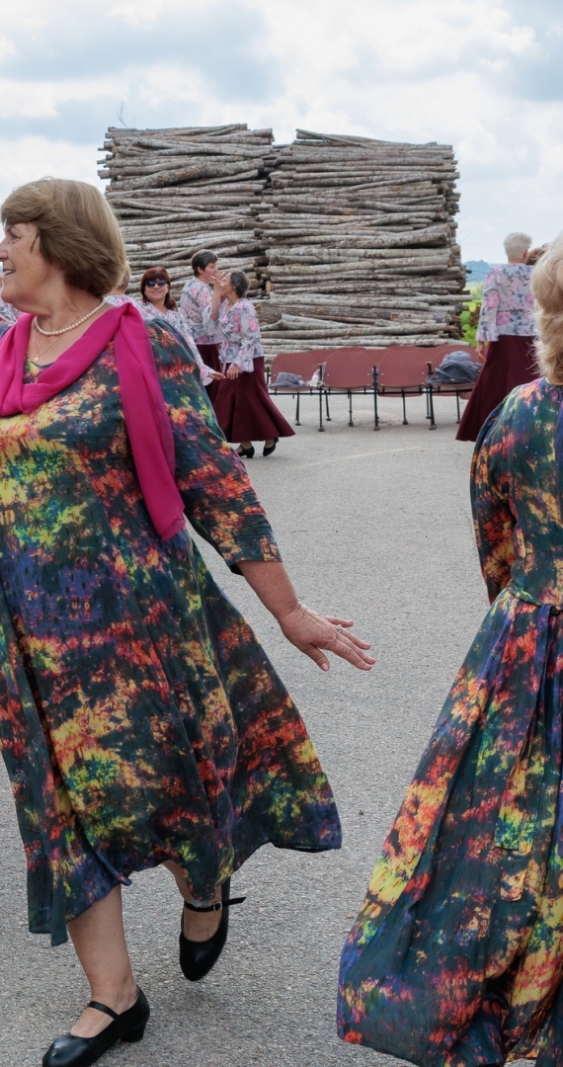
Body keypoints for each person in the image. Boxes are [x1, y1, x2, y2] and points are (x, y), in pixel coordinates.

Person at [0, 179, 374, 1067]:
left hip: (139, 620)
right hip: (25, 629)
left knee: (168, 776)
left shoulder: (149, 345)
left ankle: (204, 882)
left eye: (11, 237)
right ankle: (114, 996)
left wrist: (287, 608)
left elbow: (216, 480)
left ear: (57, 245)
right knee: (57, 799)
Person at [337, 236, 563, 1066]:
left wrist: (527, 612)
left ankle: (498, 978)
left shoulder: (520, 414)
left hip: (531, 636)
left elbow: (494, 541)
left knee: (504, 829)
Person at [457, 231, 540, 440]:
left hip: (503, 336)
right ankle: (531, 429)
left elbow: (489, 306)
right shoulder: (536, 273)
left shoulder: (496, 273)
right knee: (530, 379)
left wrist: (481, 339)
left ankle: (489, 431)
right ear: (525, 252)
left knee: (494, 381)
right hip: (531, 333)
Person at [211, 270, 293, 457]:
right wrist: (216, 290)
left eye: (224, 281)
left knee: (250, 400)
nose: (222, 283)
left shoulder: (244, 307)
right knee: (233, 400)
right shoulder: (225, 306)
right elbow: (212, 319)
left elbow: (250, 337)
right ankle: (246, 444)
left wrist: (238, 363)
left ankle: (269, 434)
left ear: (234, 286)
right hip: (230, 359)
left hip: (248, 359)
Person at [138, 267, 221, 387]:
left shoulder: (176, 314)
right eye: (150, 283)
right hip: (150, 368)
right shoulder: (137, 310)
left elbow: (188, 342)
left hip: (177, 369)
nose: (156, 287)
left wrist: (202, 368)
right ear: (144, 289)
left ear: (168, 287)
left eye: (161, 283)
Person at [178, 250, 225, 398]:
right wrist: (217, 291)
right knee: (211, 386)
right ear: (200, 269)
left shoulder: (189, 285)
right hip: (205, 343)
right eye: (211, 266)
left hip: (189, 340)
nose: (215, 270)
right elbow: (210, 319)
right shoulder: (203, 289)